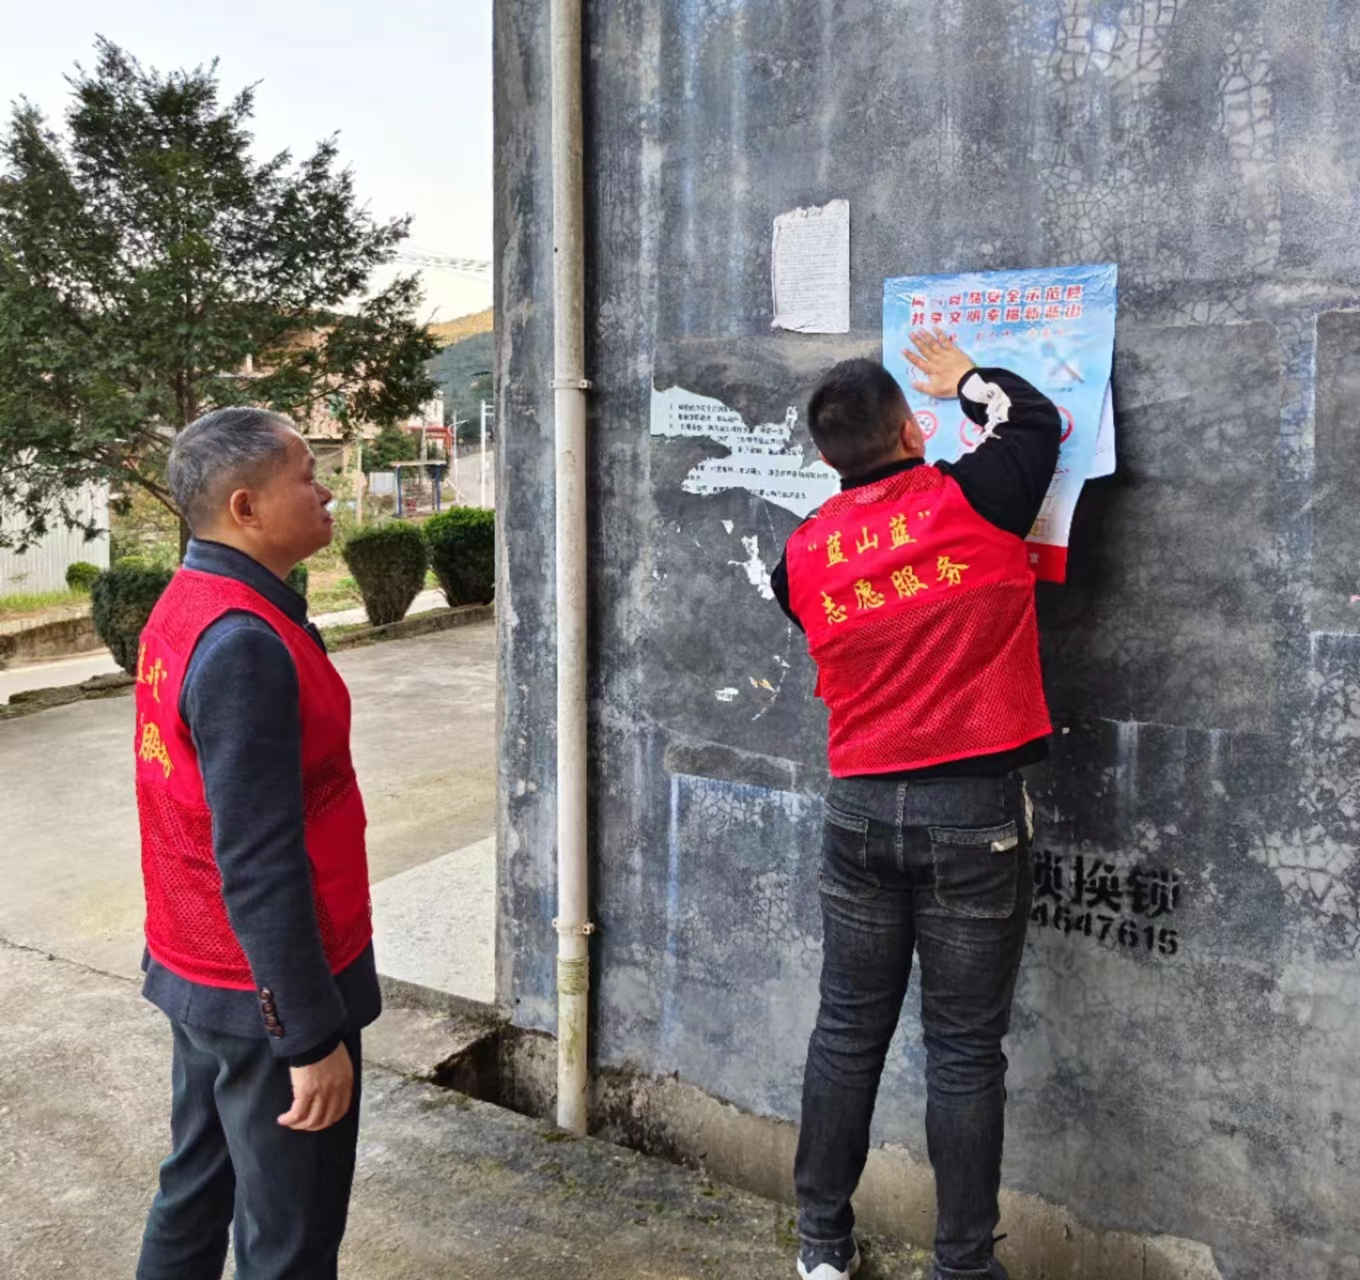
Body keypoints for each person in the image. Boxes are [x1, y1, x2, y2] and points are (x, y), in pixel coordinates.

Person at [772, 333, 1062, 1280]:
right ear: (909, 428)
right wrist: (968, 378)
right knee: (965, 1051)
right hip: (970, 814)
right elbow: (1037, 420)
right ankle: (963, 1266)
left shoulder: (801, 556)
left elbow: (813, 609)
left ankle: (820, 1246)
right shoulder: (973, 497)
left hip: (856, 812)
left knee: (847, 1027)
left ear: (825, 459)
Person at [133, 407, 380, 1280]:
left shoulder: (188, 601)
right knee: (290, 1243)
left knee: (196, 1190)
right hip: (265, 987)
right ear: (245, 507)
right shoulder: (243, 641)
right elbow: (261, 857)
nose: (327, 493)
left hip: (202, 972)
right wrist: (309, 1036)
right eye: (308, 477)